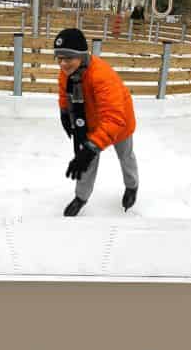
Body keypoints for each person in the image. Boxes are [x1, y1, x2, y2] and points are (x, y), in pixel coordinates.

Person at [54, 28, 138, 217]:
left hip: (119, 122)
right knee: (86, 162)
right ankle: (80, 197)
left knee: (125, 156)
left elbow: (114, 118)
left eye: (68, 58)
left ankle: (132, 186)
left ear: (81, 56)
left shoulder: (102, 76)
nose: (63, 63)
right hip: (88, 121)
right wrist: (64, 111)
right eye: (59, 58)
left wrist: (91, 148)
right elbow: (63, 90)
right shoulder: (68, 71)